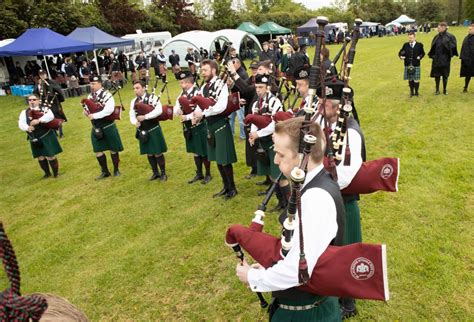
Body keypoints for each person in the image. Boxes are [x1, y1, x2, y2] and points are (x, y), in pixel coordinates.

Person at [235, 117, 342, 321]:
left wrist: (253, 277)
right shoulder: (313, 183)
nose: (275, 160)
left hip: (307, 313)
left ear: (303, 157)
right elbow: (301, 253)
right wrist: (270, 267)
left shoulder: (315, 199)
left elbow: (297, 271)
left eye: (280, 154)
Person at [315, 80, 364, 318]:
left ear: (339, 106)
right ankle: (334, 292)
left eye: (325, 104)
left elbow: (345, 176)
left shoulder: (351, 132)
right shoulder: (326, 123)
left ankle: (349, 302)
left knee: (346, 251)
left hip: (344, 202)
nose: (321, 107)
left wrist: (319, 179)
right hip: (327, 199)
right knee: (330, 250)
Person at [194, 59, 238, 200]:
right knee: (218, 159)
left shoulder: (222, 85)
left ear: (213, 70)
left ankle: (233, 189)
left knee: (224, 159)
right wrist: (196, 115)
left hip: (220, 125)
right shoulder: (204, 87)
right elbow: (199, 103)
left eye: (205, 70)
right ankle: (225, 187)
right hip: (210, 126)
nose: (203, 72)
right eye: (202, 70)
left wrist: (204, 113)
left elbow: (221, 106)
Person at [247, 74, 288, 210]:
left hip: (273, 140)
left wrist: (257, 134)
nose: (258, 90)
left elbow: (275, 123)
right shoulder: (255, 103)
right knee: (270, 172)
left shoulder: (275, 102)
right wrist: (253, 134)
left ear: (268, 87)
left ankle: (287, 203)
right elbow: (253, 119)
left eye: (261, 87)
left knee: (279, 176)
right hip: (262, 142)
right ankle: (280, 201)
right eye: (256, 87)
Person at [173, 70, 212, 184]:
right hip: (189, 127)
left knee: (203, 151)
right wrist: (179, 110)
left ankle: (208, 174)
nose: (181, 85)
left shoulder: (198, 92)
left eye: (182, 83)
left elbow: (201, 109)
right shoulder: (181, 95)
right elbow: (176, 110)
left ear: (189, 82)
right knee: (195, 150)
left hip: (200, 125)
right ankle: (199, 173)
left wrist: (187, 117)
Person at [85, 76, 124, 179]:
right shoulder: (90, 97)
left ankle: (116, 170)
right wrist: (86, 112)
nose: (91, 85)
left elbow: (109, 110)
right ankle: (105, 171)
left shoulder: (107, 95)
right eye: (91, 83)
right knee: (98, 150)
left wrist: (95, 115)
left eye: (93, 83)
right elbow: (87, 108)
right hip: (96, 126)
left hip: (108, 125)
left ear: (100, 84)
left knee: (113, 149)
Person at [129, 80, 168, 181]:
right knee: (149, 153)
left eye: (137, 88)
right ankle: (155, 173)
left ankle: (163, 173)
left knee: (157, 152)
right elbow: (132, 115)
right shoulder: (134, 101)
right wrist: (135, 122)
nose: (135, 90)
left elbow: (159, 111)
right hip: (143, 130)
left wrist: (145, 117)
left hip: (153, 128)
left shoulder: (152, 98)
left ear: (144, 88)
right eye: (134, 88)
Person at [18, 94, 62, 178]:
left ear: (38, 100)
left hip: (46, 134)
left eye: (34, 99)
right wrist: (27, 127)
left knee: (50, 155)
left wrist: (39, 120)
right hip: (34, 137)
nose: (32, 101)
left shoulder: (45, 109)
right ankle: (47, 174)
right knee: (40, 156)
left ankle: (56, 173)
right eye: (30, 100)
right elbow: (21, 123)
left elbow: (50, 116)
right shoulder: (24, 112)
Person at [34, 70, 67, 138]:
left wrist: (47, 84)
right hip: (44, 103)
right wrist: (39, 85)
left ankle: (61, 132)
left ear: (46, 74)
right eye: (41, 75)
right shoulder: (38, 83)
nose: (42, 76)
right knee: (48, 117)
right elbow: (35, 92)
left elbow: (57, 89)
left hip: (53, 102)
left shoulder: (51, 82)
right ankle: (54, 133)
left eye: (43, 74)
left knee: (57, 116)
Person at [428, 22, 458, 95]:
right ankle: (437, 90)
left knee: (445, 75)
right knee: (437, 75)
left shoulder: (450, 37)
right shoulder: (436, 37)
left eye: (439, 27)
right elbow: (433, 47)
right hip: (436, 59)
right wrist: (433, 56)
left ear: (444, 27)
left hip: (445, 59)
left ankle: (445, 89)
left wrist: (448, 53)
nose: (438, 29)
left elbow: (454, 46)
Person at [398, 32, 425, 97]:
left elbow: (423, 53)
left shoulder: (419, 45)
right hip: (408, 64)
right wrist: (401, 56)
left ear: (415, 37)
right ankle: (412, 92)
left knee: (416, 79)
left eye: (411, 38)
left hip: (416, 64)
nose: (410, 39)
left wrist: (420, 57)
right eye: (409, 38)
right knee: (410, 79)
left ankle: (416, 92)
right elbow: (401, 52)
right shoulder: (405, 45)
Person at [460, 23, 474, 93]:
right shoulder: (467, 37)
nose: (469, 30)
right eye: (469, 29)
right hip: (467, 59)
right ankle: (465, 87)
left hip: (472, 59)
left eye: (470, 29)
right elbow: (464, 48)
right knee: (467, 74)